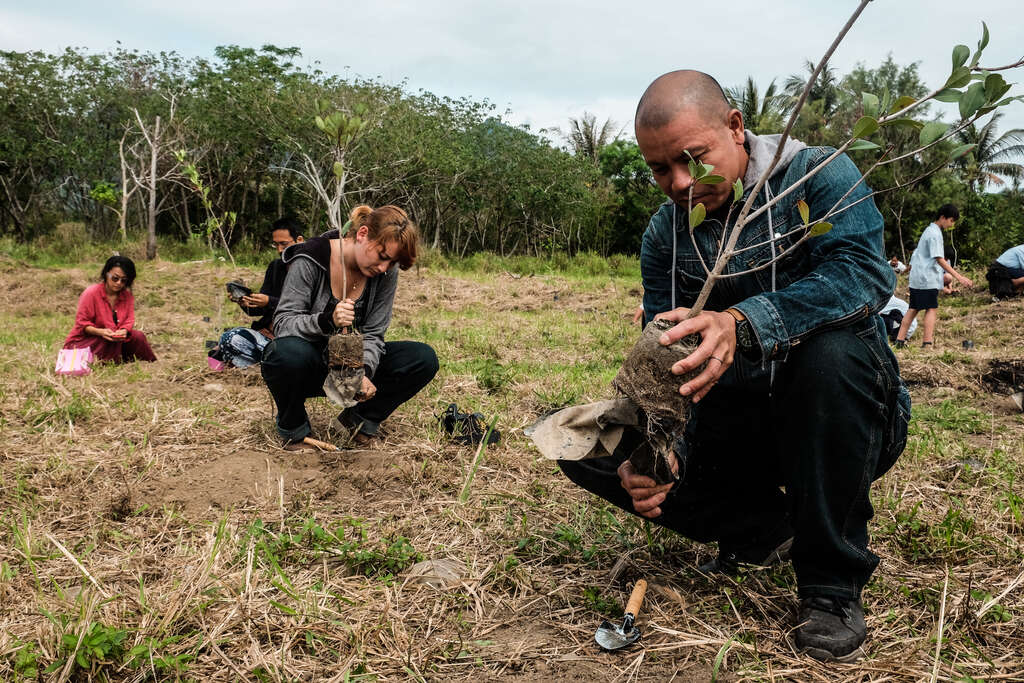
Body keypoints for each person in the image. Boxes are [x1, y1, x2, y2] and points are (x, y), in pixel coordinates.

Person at [556, 71, 910, 662]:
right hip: (739, 424)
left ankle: (829, 583)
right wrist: (658, 456)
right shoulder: (666, 236)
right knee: (584, 441)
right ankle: (769, 528)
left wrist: (742, 323)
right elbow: (670, 358)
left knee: (830, 353)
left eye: (693, 160)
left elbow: (863, 278)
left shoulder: (819, 175)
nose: (680, 184)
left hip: (843, 415)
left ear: (737, 128)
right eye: (660, 170)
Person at [261, 205, 438, 450]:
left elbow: (374, 333)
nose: (384, 268)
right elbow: (283, 323)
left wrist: (363, 371)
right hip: (309, 364)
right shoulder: (310, 257)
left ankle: (357, 422)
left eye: (392, 262)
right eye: (383, 256)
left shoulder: (385, 273)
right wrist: (326, 320)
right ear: (363, 233)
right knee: (281, 353)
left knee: (421, 358)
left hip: (350, 364)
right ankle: (295, 430)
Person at [217, 218, 305, 367]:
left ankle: (269, 363)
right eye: (276, 244)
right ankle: (265, 363)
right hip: (267, 335)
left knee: (228, 341)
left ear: (299, 240)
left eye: (284, 244)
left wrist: (269, 301)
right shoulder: (275, 267)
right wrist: (245, 302)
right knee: (221, 344)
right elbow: (258, 310)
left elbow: (305, 309)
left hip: (295, 340)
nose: (279, 250)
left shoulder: (311, 269)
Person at [893, 205, 973, 349]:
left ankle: (899, 341)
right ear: (943, 217)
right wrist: (959, 277)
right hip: (926, 278)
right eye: (951, 220)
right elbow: (939, 259)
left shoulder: (928, 231)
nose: (951, 224)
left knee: (913, 308)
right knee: (931, 308)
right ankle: (927, 343)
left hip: (918, 278)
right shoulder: (934, 234)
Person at [62, 255, 157, 363]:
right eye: (115, 278)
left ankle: (146, 362)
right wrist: (101, 332)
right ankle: (110, 359)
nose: (118, 283)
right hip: (89, 340)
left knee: (138, 336)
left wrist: (124, 331)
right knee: (108, 341)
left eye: (123, 280)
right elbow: (82, 324)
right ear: (106, 274)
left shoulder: (127, 296)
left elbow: (129, 320)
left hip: (114, 339)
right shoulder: (91, 293)